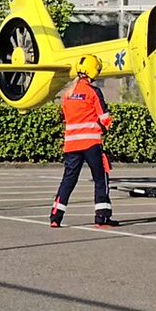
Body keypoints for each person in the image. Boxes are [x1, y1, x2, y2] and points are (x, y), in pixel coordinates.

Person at [50, 55, 117, 228]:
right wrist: (109, 125)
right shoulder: (93, 92)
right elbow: (105, 118)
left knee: (69, 179)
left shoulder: (68, 94)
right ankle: (102, 217)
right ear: (93, 71)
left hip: (71, 145)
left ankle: (56, 216)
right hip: (91, 144)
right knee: (100, 178)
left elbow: (67, 117)